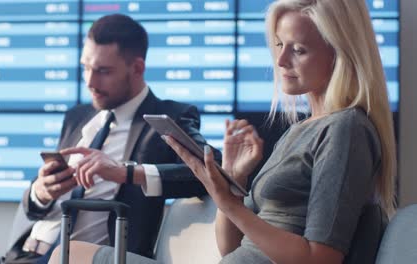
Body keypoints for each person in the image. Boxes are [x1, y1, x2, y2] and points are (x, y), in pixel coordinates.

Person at [50, 0, 397, 263]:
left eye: (299, 50)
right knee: (68, 252)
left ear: (340, 53)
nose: (280, 62)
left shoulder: (345, 128)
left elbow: (319, 258)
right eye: (279, 45)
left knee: (70, 255)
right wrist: (233, 181)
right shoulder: (299, 130)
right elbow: (230, 246)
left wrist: (229, 203)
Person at [0, 14, 218, 264]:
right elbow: (34, 207)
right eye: (85, 67)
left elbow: (212, 170)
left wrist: (127, 173)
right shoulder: (77, 117)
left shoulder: (171, 117)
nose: (90, 82)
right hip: (22, 254)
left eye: (104, 71)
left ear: (137, 68)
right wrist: (41, 191)